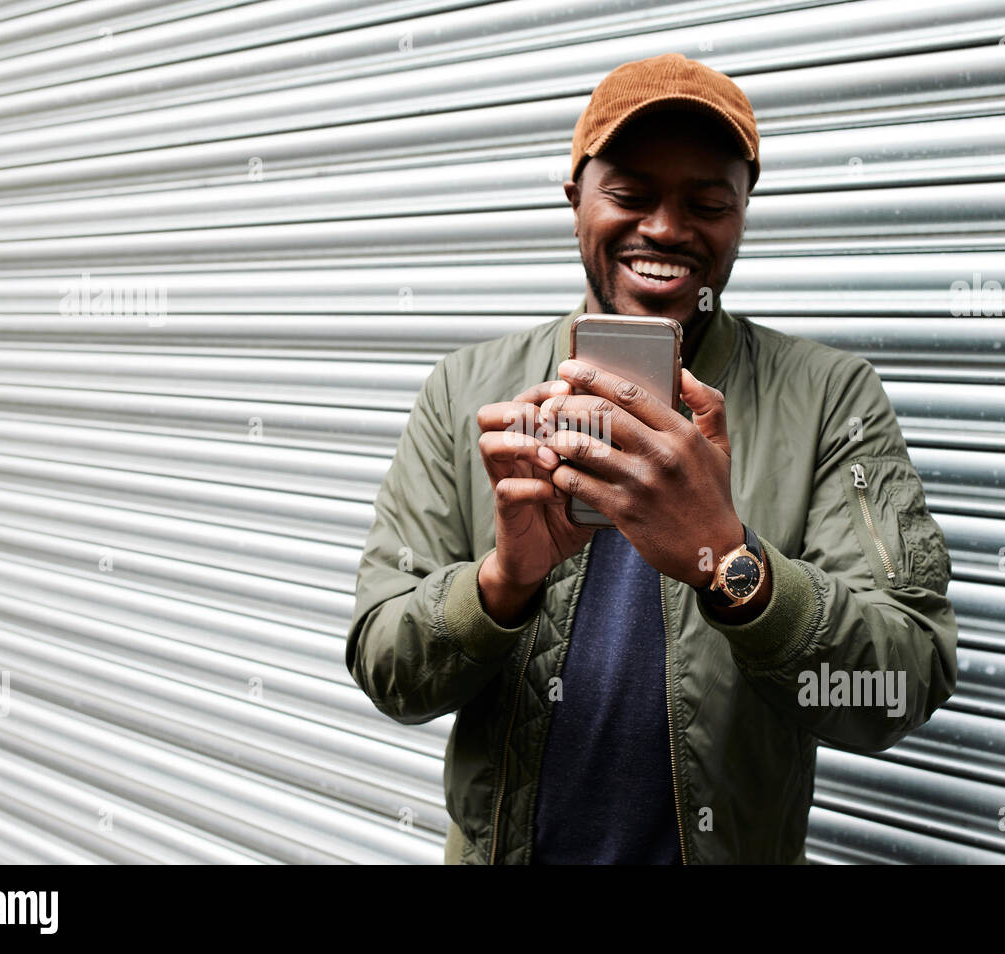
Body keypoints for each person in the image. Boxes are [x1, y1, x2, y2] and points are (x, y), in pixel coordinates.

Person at [347, 52, 958, 864]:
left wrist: (734, 566)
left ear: (742, 213)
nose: (666, 230)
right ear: (576, 202)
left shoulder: (830, 397)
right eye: (630, 195)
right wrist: (501, 584)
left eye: (706, 202)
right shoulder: (469, 392)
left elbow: (901, 684)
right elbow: (388, 669)